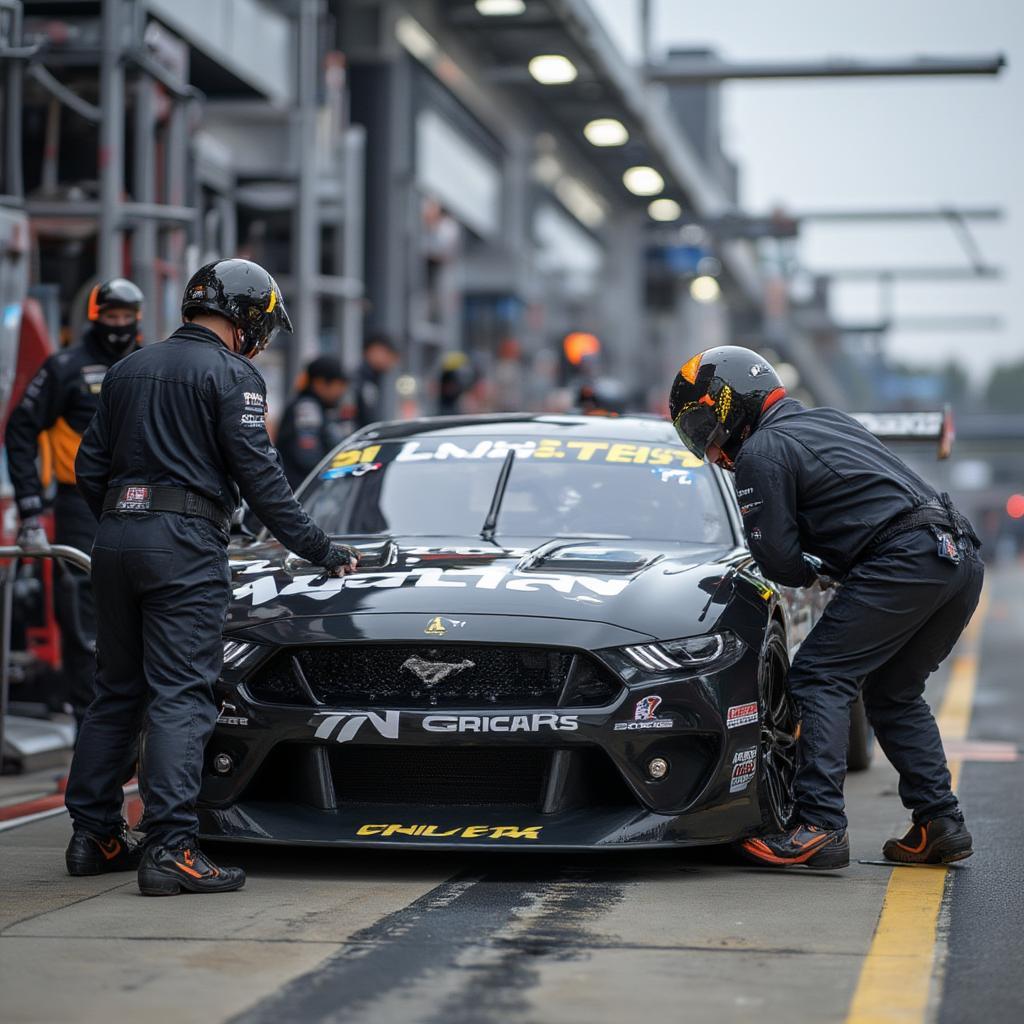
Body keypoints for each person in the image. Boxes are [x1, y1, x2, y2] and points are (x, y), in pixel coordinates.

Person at [63, 258, 360, 895]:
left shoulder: (127, 368)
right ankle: (171, 848)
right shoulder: (235, 376)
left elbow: (90, 469)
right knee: (180, 694)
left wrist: (127, 520)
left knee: (115, 690)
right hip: (185, 547)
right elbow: (263, 480)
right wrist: (320, 548)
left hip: (114, 540)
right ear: (247, 317)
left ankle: (94, 836)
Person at [669, 345, 983, 870]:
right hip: (958, 557)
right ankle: (940, 822)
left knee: (818, 674)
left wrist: (812, 569)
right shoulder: (826, 422)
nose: (709, 445)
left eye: (704, 423)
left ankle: (818, 824)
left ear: (730, 402)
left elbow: (776, 557)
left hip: (904, 558)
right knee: (893, 692)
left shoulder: (761, 450)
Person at [6, 278, 144, 725]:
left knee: (140, 605)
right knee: (82, 608)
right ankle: (89, 723)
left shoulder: (150, 364)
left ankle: (135, 723)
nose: (119, 326)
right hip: (78, 504)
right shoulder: (65, 367)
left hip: (143, 503)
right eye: (111, 317)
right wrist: (29, 504)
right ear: (94, 317)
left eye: (126, 317)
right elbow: (20, 428)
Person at [276, 355, 350, 488]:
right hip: (300, 494)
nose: (341, 392)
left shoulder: (320, 408)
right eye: (338, 385)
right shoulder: (307, 408)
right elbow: (308, 458)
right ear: (320, 383)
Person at [353, 332, 399, 428]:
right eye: (389, 355)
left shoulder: (372, 378)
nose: (392, 363)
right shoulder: (359, 380)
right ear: (375, 350)